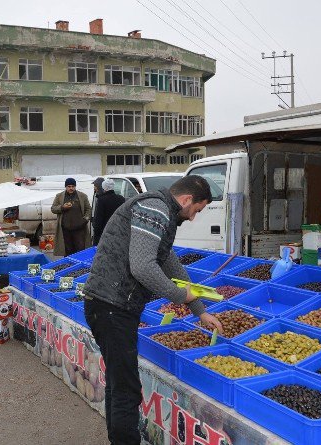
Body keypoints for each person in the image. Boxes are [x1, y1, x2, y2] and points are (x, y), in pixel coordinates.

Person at [83, 175, 223, 445]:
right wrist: (181, 295)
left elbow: (170, 264)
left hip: (110, 305)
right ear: (186, 200)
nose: (194, 218)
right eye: (197, 210)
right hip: (112, 306)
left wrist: (199, 310)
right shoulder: (156, 209)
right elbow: (143, 267)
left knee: (118, 382)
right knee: (126, 390)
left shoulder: (160, 212)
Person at [50, 177, 92, 256]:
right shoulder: (59, 196)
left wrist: (85, 220)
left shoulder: (82, 196)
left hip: (79, 229)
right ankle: (68, 267)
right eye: (69, 186)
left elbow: (88, 209)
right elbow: (53, 208)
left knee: (80, 251)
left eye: (73, 186)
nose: (71, 188)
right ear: (66, 187)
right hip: (65, 230)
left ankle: (80, 268)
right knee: (67, 251)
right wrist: (62, 207)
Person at [92, 178, 125, 246]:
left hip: (104, 233)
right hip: (117, 232)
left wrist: (96, 233)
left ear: (104, 188)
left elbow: (99, 220)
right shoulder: (121, 199)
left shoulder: (101, 200)